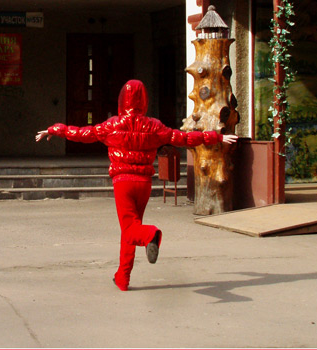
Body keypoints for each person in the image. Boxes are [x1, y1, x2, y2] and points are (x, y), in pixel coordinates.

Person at [35, 79, 237, 291]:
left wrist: (53, 130)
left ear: (122, 100)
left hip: (123, 182)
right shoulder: (154, 126)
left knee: (132, 229)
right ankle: (122, 278)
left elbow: (82, 133)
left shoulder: (111, 126)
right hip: (144, 184)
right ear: (145, 101)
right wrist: (215, 137)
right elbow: (183, 138)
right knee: (130, 228)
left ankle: (151, 235)